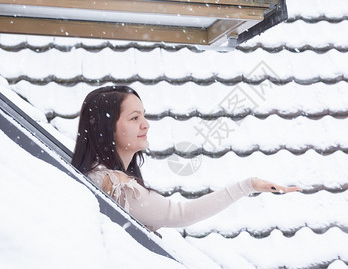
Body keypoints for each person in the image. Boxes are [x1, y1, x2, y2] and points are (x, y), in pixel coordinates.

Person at [72, 86, 301, 232]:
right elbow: (180, 214)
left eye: (144, 115)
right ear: (107, 128)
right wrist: (247, 186)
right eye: (134, 118)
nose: (146, 124)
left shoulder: (98, 174)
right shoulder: (115, 184)